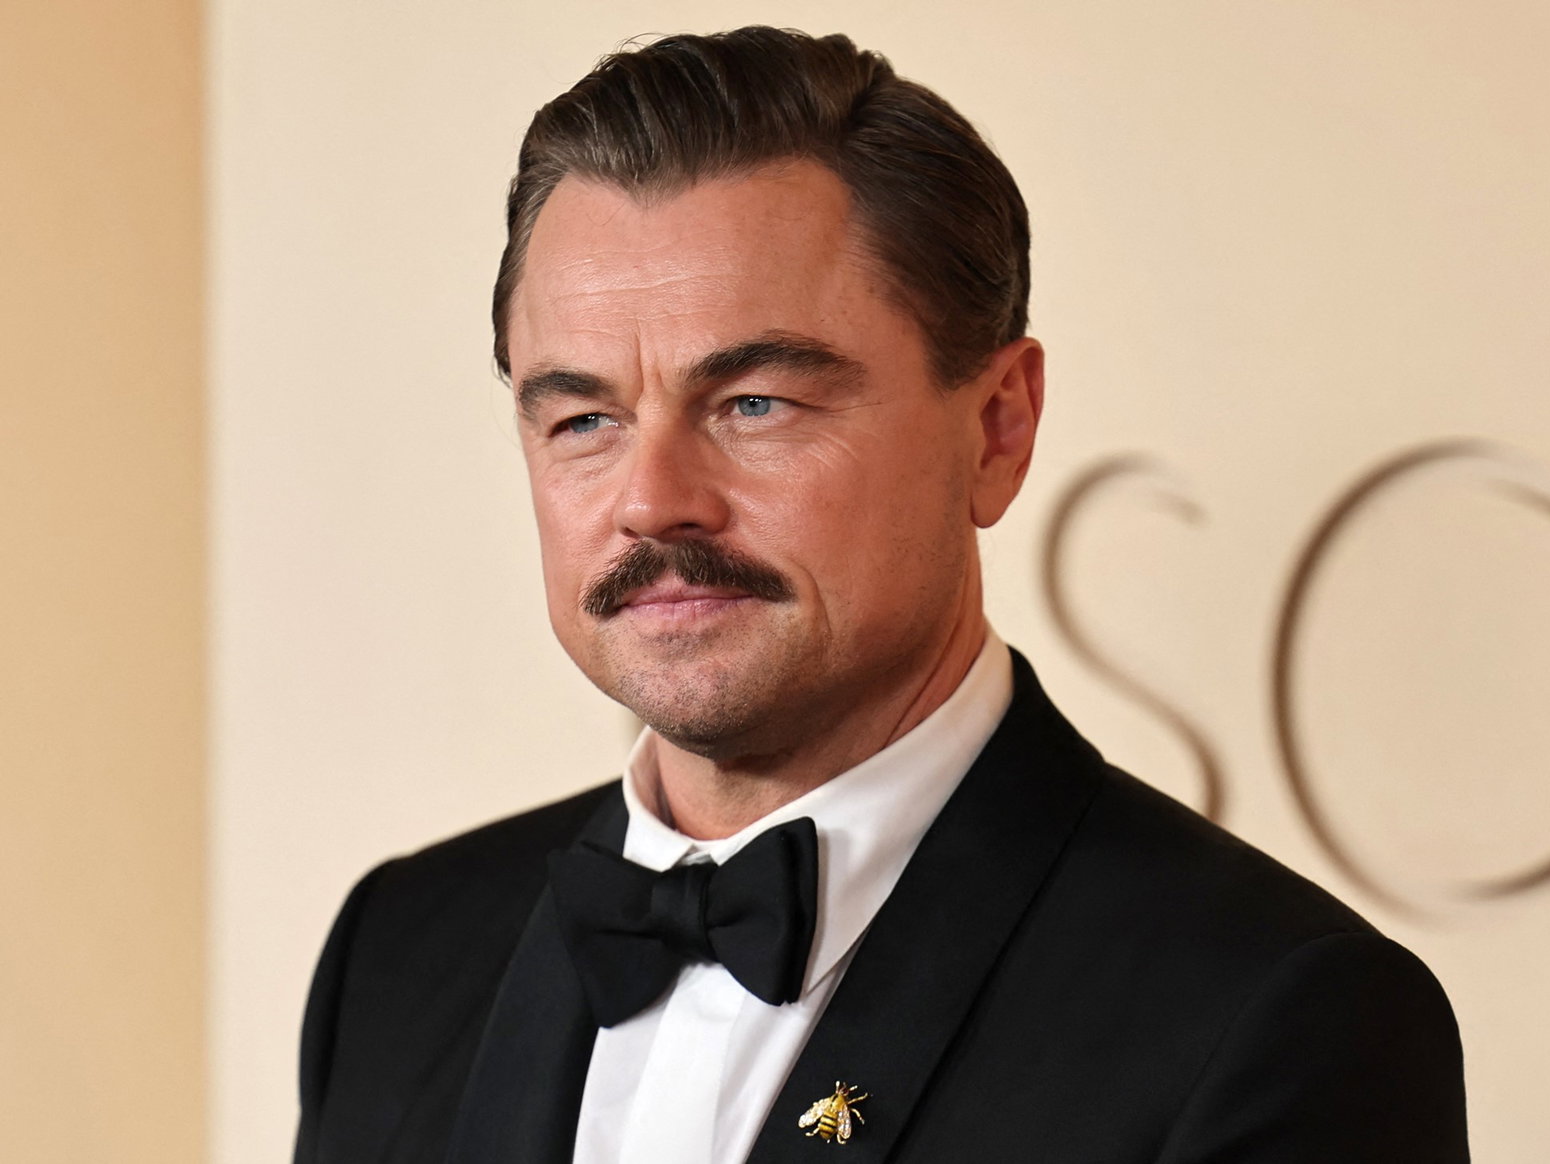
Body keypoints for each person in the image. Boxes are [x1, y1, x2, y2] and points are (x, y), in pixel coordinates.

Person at [293, 26, 1468, 1164]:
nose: (652, 501)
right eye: (584, 419)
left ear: (996, 430)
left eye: (755, 402)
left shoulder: (1275, 1017)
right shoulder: (398, 952)